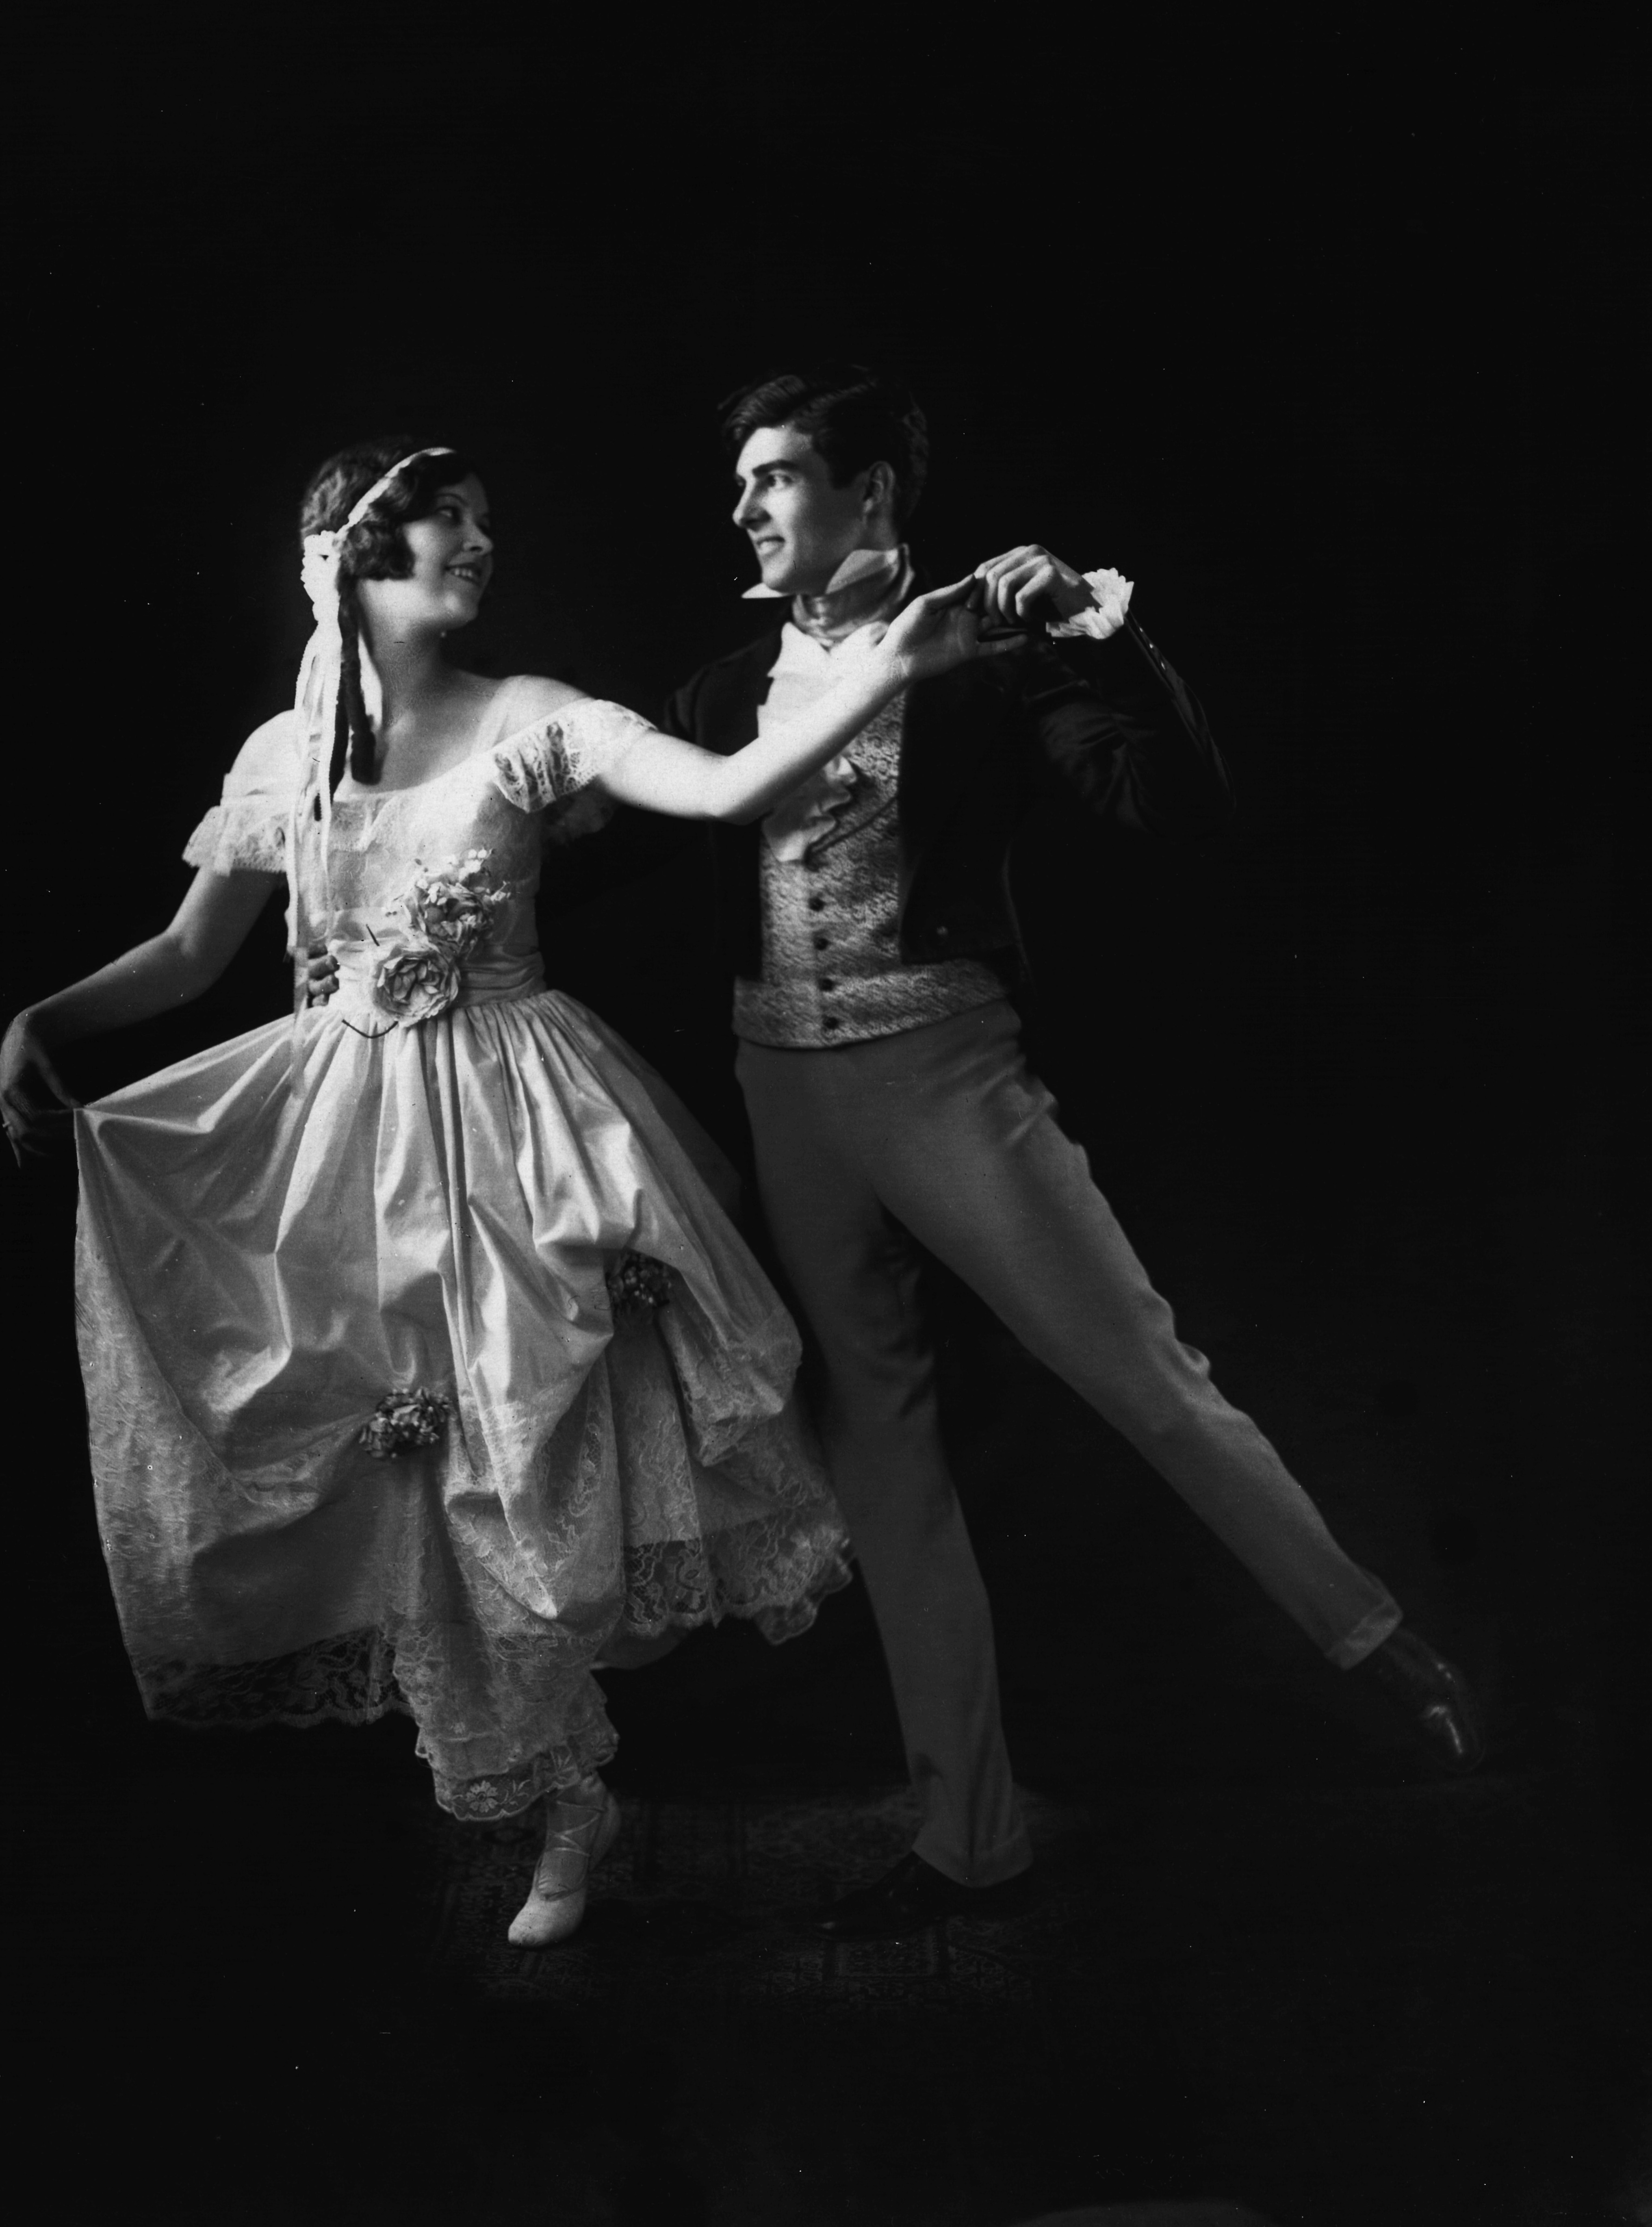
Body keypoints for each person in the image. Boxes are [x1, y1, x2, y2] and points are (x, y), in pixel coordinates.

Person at [476, 365, 1484, 1944]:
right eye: (742, 482)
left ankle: (1377, 1647)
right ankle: (965, 1839)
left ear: (869, 492)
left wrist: (1100, 632)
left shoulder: (998, 654)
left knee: (1145, 1377)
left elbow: (1174, 807)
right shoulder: (724, 689)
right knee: (879, 1456)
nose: (744, 508)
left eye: (776, 476)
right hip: (781, 1094)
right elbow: (587, 873)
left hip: (946, 1073)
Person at [0, 436, 1019, 1949]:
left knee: (519, 1453)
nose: (478, 544)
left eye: (485, 522)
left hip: (522, 1129)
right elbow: (193, 953)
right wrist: (44, 1020)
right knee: (407, 1458)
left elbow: (727, 789)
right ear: (356, 553)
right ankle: (555, 1797)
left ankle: (563, 1781)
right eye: (444, 521)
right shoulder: (286, 756)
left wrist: (890, 667)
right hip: (348, 1145)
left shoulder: (534, 716)